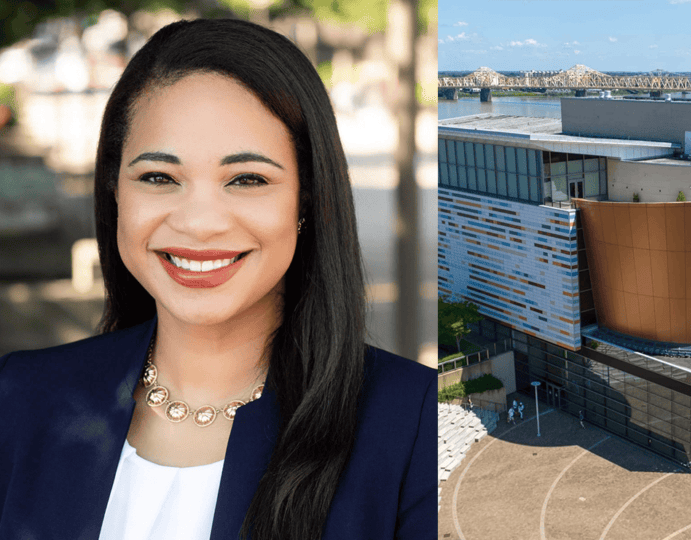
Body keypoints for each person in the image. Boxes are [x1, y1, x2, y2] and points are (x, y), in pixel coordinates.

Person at [0, 19, 434, 540]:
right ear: (115, 190)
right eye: (159, 177)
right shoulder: (21, 398)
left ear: (308, 198)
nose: (200, 222)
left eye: (247, 179)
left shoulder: (416, 427)